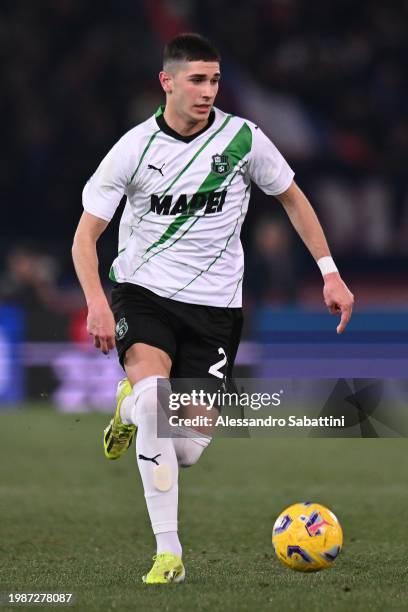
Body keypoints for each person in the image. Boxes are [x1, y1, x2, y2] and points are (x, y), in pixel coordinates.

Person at [72, 32, 354, 585]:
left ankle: (125, 408)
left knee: (187, 449)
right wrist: (97, 303)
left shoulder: (243, 140)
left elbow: (293, 198)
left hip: (216, 309)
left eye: (215, 80)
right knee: (157, 397)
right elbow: (86, 237)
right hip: (143, 292)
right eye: (197, 80)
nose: (208, 91)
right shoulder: (133, 149)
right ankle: (169, 554)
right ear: (168, 82)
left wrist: (329, 272)